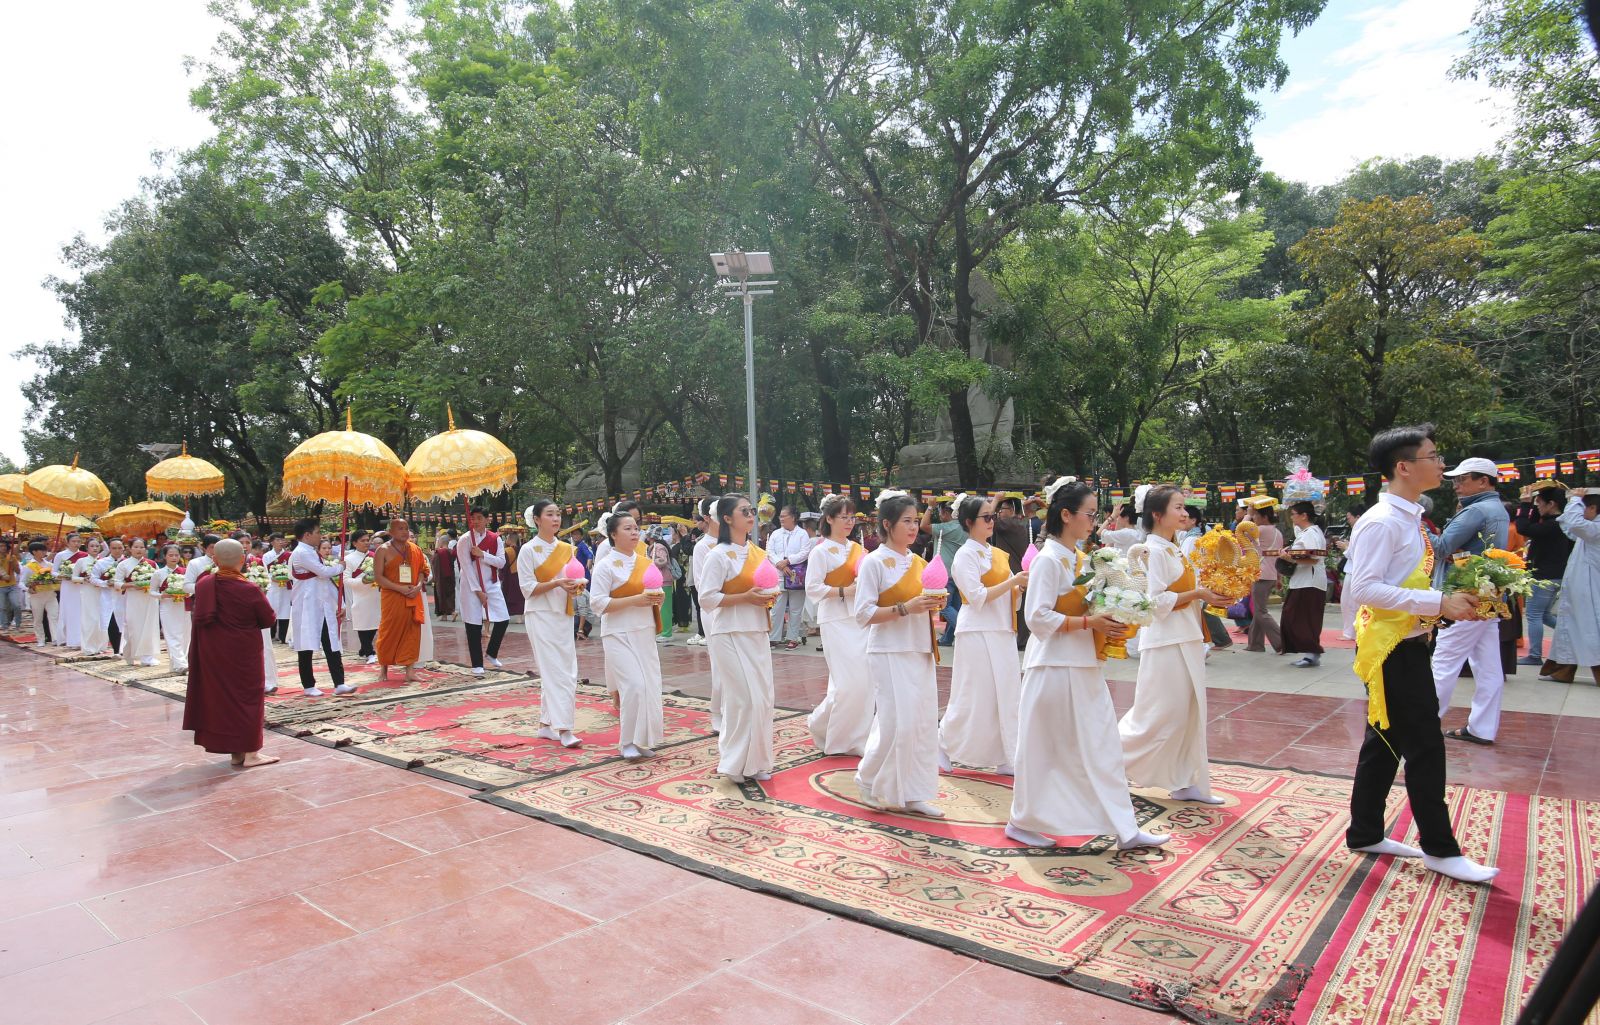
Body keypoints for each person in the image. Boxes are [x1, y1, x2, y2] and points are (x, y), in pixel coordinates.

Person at [1345, 424, 1498, 883]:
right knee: (1426, 746)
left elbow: (1401, 582)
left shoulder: (1409, 517)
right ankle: (1440, 849)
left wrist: (1442, 607)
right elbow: (1363, 588)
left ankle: (1365, 831)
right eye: (1433, 456)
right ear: (1404, 467)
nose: (1441, 464)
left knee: (1385, 740)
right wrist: (1437, 603)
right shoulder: (1382, 521)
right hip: (1390, 647)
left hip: (1408, 640)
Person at [1006, 478, 1168, 850]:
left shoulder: (1080, 558)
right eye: (1090, 514)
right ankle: (1022, 820)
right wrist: (1088, 622)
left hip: (1082, 664)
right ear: (1066, 515)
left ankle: (1124, 827)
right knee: (1044, 749)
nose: (1094, 521)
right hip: (1054, 668)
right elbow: (1036, 617)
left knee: (1102, 746)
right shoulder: (1048, 559)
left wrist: (1115, 614)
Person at [1119, 484, 1228, 805]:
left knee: (1187, 714)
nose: (1184, 513)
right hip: (1165, 642)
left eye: (1184, 507)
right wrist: (1198, 594)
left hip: (1186, 636)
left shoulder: (1173, 548)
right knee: (1157, 715)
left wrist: (1215, 593)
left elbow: (1188, 593)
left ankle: (1185, 781)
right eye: (1178, 507)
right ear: (1157, 514)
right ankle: (1104, 761)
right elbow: (1153, 601)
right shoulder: (1150, 551)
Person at [852, 490, 946, 816]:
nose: (913, 527)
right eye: (906, 521)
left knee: (921, 724)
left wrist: (935, 603)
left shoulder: (919, 562)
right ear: (887, 524)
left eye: (915, 520)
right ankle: (867, 778)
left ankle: (913, 792)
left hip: (919, 647)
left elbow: (927, 602)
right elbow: (863, 614)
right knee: (896, 724)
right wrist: (906, 607)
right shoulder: (873, 562)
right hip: (889, 650)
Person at [941, 493, 1029, 774]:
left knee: (1006, 695)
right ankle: (942, 744)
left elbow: (1010, 596)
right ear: (969, 522)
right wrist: (1013, 582)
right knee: (972, 695)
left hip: (1001, 628)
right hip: (976, 631)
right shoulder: (965, 555)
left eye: (993, 516)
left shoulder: (996, 553)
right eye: (986, 517)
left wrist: (1018, 588)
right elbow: (976, 597)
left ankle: (1006, 754)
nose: (992, 521)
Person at [698, 494, 779, 782]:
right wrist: (745, 597)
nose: (751, 515)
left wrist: (769, 596)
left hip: (756, 630)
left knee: (763, 698)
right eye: (743, 511)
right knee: (743, 699)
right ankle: (733, 763)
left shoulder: (758, 553)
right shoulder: (717, 555)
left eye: (751, 510)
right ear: (727, 518)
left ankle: (756, 762)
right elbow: (707, 598)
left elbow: (769, 586)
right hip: (728, 632)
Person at [1430, 457, 1510, 745]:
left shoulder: (1476, 510)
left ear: (1483, 481)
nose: (1456, 485)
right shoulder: (1497, 509)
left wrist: (1415, 526)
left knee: (1444, 661)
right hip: (1487, 593)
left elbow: (1441, 548)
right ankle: (1482, 728)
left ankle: (1424, 725)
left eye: (1462, 479)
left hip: (1464, 595)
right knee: (1488, 667)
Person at [181, 539, 279, 769]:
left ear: (214, 560)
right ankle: (251, 754)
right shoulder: (248, 588)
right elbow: (268, 619)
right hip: (243, 654)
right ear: (243, 560)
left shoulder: (204, 585)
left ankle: (237, 753)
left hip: (214, 654)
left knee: (224, 701)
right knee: (248, 699)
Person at [588, 510, 666, 761]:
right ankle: (627, 742)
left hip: (644, 631)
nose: (634, 533)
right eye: (628, 528)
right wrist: (636, 600)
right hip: (618, 633)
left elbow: (654, 595)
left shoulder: (645, 562)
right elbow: (597, 603)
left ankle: (643, 739)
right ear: (613, 534)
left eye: (636, 528)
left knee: (650, 686)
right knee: (633, 685)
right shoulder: (605, 566)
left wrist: (658, 598)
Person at [805, 495, 873, 755]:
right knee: (847, 684)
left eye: (852, 517)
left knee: (864, 680)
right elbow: (813, 588)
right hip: (834, 619)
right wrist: (845, 590)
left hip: (859, 618)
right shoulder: (820, 551)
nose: (849, 522)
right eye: (843, 517)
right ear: (829, 519)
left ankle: (857, 737)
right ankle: (822, 725)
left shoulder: (858, 549)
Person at [517, 501, 584, 747]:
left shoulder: (567, 548)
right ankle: (565, 729)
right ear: (537, 519)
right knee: (557, 671)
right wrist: (556, 583)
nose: (556, 519)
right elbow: (527, 589)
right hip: (540, 614)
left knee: (564, 667)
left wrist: (575, 587)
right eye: (550, 514)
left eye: (558, 514)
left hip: (563, 614)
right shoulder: (528, 550)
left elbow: (572, 581)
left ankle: (545, 725)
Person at [288, 517, 353, 697]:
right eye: (317, 532)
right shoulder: (302, 552)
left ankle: (339, 682)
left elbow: (325, 581)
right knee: (306, 645)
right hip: (308, 606)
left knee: (331, 641)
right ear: (307, 535)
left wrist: (340, 603)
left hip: (322, 605)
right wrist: (340, 567)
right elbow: (323, 572)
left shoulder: (311, 552)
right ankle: (308, 685)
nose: (320, 536)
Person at [1541, 491, 1600, 684]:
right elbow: (1569, 526)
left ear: (1593, 508)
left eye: (1584, 508)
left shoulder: (1594, 528)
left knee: (1590, 628)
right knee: (1571, 627)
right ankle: (1563, 670)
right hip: (1580, 588)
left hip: (1590, 590)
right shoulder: (1590, 529)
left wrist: (1574, 499)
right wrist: (1573, 503)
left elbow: (1575, 524)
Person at [1515, 487, 1573, 666]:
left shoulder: (1554, 525)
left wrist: (1525, 505)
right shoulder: (1561, 523)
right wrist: (1531, 506)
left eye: (1539, 503)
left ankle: (1534, 655)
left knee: (1534, 615)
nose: (1537, 506)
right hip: (1554, 575)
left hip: (1544, 576)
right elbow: (1531, 527)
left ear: (1551, 504)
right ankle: (1574, 637)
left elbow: (1523, 528)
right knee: (1545, 615)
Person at [373, 517, 430, 683]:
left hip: (412, 595)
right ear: (390, 532)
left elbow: (422, 570)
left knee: (412, 633)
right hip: (393, 596)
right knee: (388, 631)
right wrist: (399, 588)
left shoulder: (415, 549)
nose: (404, 532)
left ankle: (410, 671)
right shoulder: (383, 550)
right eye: (400, 528)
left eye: (406, 528)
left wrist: (418, 586)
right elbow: (378, 577)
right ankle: (383, 668)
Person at [458, 507, 510, 674]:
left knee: (503, 618)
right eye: (473, 518)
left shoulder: (495, 539)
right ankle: (477, 664)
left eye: (480, 518)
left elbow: (501, 562)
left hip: (491, 582)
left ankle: (491, 653)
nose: (476, 521)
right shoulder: (465, 540)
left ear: (487, 519)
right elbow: (466, 567)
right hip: (470, 585)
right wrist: (478, 590)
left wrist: (483, 555)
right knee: (473, 623)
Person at [1282, 502, 1329, 668]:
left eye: (1294, 514)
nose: (1291, 517)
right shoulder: (1306, 532)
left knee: (1303, 618)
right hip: (1303, 580)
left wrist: (1289, 558)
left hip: (1310, 581)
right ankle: (1311, 652)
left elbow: (1314, 558)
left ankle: (1312, 653)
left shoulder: (1311, 533)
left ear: (1304, 516)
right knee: (1297, 616)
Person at [919, 498, 969, 645]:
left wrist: (930, 507)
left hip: (944, 574)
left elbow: (923, 525)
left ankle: (964, 630)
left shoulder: (947, 528)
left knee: (944, 606)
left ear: (948, 513)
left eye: (941, 512)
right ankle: (947, 639)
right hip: (958, 573)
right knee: (955, 606)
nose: (940, 516)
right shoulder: (965, 527)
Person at [765, 506, 812, 650]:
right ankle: (774, 638)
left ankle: (792, 638)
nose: (781, 518)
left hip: (796, 576)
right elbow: (769, 551)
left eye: (784, 516)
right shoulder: (776, 534)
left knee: (796, 609)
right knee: (776, 609)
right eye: (780, 516)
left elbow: (805, 552)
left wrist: (788, 561)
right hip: (778, 575)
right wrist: (780, 564)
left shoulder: (802, 534)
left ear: (793, 517)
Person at [1242, 502, 1284, 653]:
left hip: (1261, 574)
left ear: (1264, 517)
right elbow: (1278, 557)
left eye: (1256, 515)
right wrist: (1279, 578)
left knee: (1260, 612)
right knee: (1259, 610)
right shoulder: (1277, 532)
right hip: (1270, 574)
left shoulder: (1260, 530)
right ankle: (1255, 644)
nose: (1254, 518)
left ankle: (1282, 642)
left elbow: (1240, 531)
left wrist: (1247, 514)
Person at [115, 539, 161, 666]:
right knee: (134, 627)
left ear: (145, 549)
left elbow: (159, 580)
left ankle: (147, 656)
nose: (139, 549)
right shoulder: (123, 565)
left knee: (149, 626)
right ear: (130, 548)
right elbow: (117, 583)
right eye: (136, 547)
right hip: (133, 598)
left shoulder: (152, 564)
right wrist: (132, 585)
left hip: (150, 599)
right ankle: (130, 653)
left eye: (141, 547)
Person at [342, 531, 380, 663]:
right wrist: (362, 581)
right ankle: (370, 652)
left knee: (375, 623)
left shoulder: (376, 556)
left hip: (376, 594)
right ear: (354, 543)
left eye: (367, 540)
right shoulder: (349, 559)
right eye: (363, 540)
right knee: (363, 624)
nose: (366, 543)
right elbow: (346, 580)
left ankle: (364, 649)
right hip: (360, 595)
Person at [151, 545, 189, 673]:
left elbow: (191, 589)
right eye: (170, 555)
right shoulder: (158, 573)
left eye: (176, 555)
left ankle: (177, 664)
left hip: (183, 606)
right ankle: (181, 663)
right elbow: (152, 592)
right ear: (165, 556)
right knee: (172, 635)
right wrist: (162, 595)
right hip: (167, 606)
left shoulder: (185, 571)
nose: (174, 557)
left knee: (185, 635)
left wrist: (188, 594)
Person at [22, 541, 60, 647]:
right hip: (36, 596)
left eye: (45, 550)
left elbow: (56, 576)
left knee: (54, 616)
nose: (44, 552)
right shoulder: (29, 566)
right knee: (38, 619)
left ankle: (55, 638)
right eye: (41, 550)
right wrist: (27, 589)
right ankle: (41, 639)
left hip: (50, 594)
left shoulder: (49, 565)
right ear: (34, 552)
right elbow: (21, 582)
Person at [53, 533, 87, 650]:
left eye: (78, 541)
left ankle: (82, 639)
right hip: (68, 586)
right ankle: (71, 639)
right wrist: (62, 575)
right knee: (69, 611)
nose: (76, 543)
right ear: (67, 542)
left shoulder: (84, 555)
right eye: (73, 541)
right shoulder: (61, 555)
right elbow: (54, 571)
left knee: (81, 611)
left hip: (80, 586)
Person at [262, 534, 292, 643]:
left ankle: (283, 636)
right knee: (272, 608)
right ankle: (271, 635)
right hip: (273, 586)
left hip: (285, 587)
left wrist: (288, 577)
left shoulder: (289, 555)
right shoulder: (267, 556)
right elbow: (264, 571)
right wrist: (272, 578)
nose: (280, 542)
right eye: (278, 540)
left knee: (285, 610)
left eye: (282, 540)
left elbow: (292, 569)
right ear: (272, 542)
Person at [647, 528, 675, 641]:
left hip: (663, 580)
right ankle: (664, 631)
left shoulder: (658, 547)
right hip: (662, 580)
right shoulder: (658, 546)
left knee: (664, 608)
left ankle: (667, 633)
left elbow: (663, 560)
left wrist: (650, 563)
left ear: (651, 536)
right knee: (662, 607)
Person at [432, 532, 457, 621]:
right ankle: (444, 616)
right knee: (450, 595)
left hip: (441, 577)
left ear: (441, 542)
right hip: (450, 577)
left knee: (441, 595)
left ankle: (452, 612)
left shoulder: (439, 552)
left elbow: (434, 563)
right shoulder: (451, 552)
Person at [0, 539, 21, 634]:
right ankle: (4, 626)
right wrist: (2, 576)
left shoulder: (11, 557)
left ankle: (17, 625)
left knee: (17, 605)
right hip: (1, 586)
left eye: (4, 546)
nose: (3, 548)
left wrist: (13, 563)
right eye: (1, 546)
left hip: (12, 585)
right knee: (2, 607)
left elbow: (18, 571)